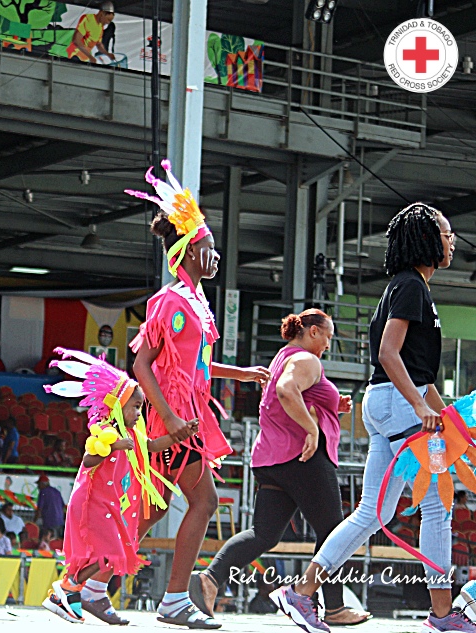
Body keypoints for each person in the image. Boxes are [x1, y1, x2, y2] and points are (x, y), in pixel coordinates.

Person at [278, 203, 469, 633]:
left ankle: (301, 593)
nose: (451, 241)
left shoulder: (405, 287)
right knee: (437, 508)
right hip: (400, 405)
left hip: (387, 403)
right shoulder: (411, 288)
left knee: (373, 512)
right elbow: (389, 353)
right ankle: (442, 616)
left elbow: (417, 372)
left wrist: (440, 412)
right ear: (424, 238)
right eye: (445, 233)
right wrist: (421, 408)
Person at [127, 161, 270, 629]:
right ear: (189, 253)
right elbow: (141, 364)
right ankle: (172, 601)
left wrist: (240, 374)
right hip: (174, 419)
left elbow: (197, 367)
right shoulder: (171, 302)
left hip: (188, 416)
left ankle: (82, 582)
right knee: (200, 503)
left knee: (153, 508)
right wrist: (167, 418)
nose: (215, 257)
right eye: (208, 250)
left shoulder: (195, 302)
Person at [190, 310, 370, 626]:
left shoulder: (282, 356)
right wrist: (313, 430)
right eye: (327, 336)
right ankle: (335, 607)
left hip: (271, 460)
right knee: (333, 532)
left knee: (264, 534)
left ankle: (209, 579)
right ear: (313, 331)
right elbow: (288, 391)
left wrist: (331, 407)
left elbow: (287, 397)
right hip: (303, 459)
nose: (328, 344)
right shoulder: (306, 360)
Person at [42, 347, 181, 625]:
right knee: (110, 554)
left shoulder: (132, 433)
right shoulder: (106, 429)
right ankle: (68, 587)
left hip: (111, 506)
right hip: (94, 504)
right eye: (135, 406)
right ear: (117, 405)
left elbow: (151, 446)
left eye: (141, 407)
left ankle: (68, 591)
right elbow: (89, 458)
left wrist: (178, 435)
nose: (139, 413)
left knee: (111, 555)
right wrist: (115, 444)